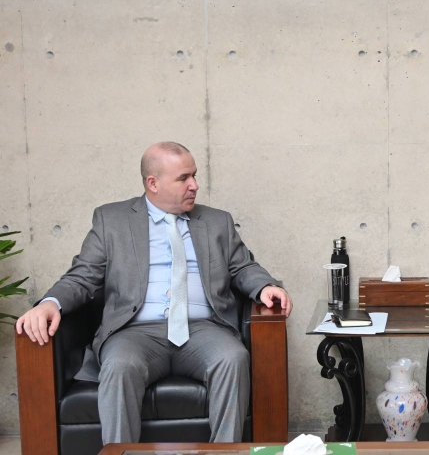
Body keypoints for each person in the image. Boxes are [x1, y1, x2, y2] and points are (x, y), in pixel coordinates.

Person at [15, 141, 293, 444]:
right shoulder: (112, 221)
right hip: (134, 332)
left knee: (233, 358)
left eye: (194, 175)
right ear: (153, 183)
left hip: (204, 330)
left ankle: (223, 452)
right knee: (120, 366)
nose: (195, 185)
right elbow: (83, 276)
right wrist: (50, 303)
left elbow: (242, 267)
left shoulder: (217, 222)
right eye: (184, 178)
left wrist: (265, 286)